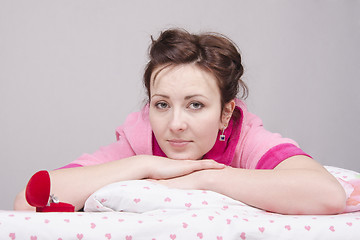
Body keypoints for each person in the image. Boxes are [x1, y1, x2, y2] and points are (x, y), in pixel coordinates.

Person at [14, 28, 346, 214]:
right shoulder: (141, 138)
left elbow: (326, 195)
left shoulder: (245, 139)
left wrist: (204, 178)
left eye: (196, 105)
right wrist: (144, 163)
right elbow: (31, 200)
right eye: (161, 104)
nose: (175, 124)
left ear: (225, 113)